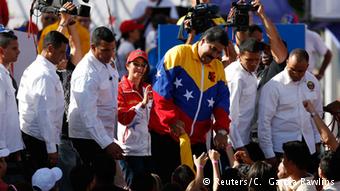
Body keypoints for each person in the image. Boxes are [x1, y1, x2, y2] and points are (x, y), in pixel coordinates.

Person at [149, 26, 230, 182]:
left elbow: (222, 102)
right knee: (167, 184)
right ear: (203, 41)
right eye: (212, 49)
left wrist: (221, 130)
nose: (213, 55)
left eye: (218, 52)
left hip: (197, 140)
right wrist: (171, 120)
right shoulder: (178, 54)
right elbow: (160, 92)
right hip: (167, 136)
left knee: (200, 184)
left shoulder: (218, 67)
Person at [68, 26, 124, 168]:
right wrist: (106, 143)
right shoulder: (87, 72)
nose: (110, 54)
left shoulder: (106, 63)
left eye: (112, 49)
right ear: (93, 47)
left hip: (103, 135)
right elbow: (88, 115)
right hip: (88, 138)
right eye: (105, 50)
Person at [258, 48, 322, 167]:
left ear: (307, 66)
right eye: (292, 69)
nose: (296, 74)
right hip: (281, 150)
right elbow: (264, 122)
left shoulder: (312, 82)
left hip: (308, 146)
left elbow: (317, 113)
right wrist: (269, 154)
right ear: (287, 62)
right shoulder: (273, 86)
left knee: (309, 184)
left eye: (300, 71)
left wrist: (317, 141)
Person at [17, 31, 68, 170]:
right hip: (39, 141)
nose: (64, 57)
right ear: (50, 49)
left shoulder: (41, 68)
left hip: (38, 137)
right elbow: (44, 114)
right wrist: (51, 148)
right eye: (62, 52)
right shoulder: (44, 74)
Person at [116, 49, 153, 186]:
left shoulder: (147, 88)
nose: (140, 68)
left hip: (146, 150)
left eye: (143, 65)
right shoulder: (120, 88)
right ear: (127, 66)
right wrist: (141, 105)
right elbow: (123, 118)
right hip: (129, 151)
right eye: (136, 64)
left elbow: (151, 118)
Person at [224, 38, 261, 151]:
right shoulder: (237, 78)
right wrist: (239, 146)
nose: (254, 63)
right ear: (239, 56)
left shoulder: (248, 72)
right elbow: (230, 115)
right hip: (233, 143)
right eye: (249, 60)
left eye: (257, 59)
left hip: (244, 138)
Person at [0, 27, 24, 158]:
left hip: (10, 148)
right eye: (14, 48)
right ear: (1, 51)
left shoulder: (5, 74)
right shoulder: (0, 76)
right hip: (4, 150)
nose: (19, 51)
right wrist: (2, 149)